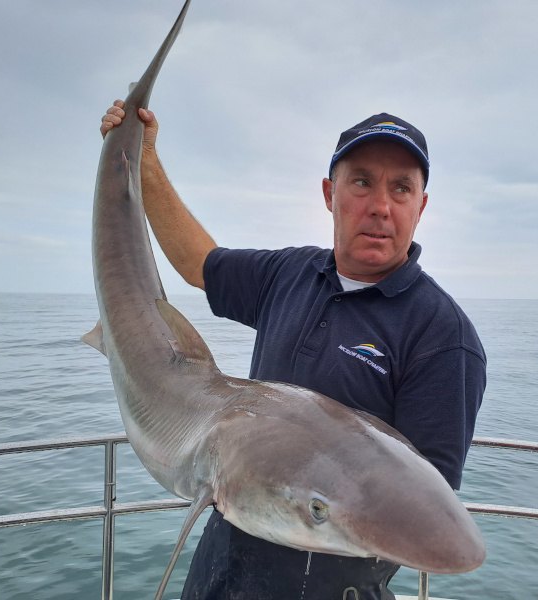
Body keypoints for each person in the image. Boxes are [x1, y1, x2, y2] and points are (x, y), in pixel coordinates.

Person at [100, 102, 486, 599]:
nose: (381, 206)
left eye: (402, 188)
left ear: (421, 206)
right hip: (221, 570)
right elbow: (200, 264)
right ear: (331, 193)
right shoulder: (290, 275)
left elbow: (425, 513)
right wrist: (142, 157)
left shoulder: (443, 337)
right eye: (362, 182)